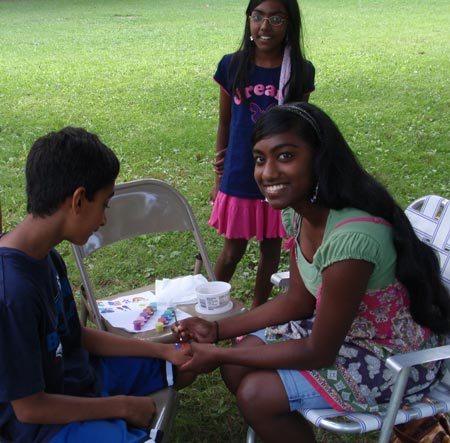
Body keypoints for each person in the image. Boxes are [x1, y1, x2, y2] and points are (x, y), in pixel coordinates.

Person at [173, 102, 450, 442]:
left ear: (319, 158)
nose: (268, 172)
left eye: (285, 156)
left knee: (256, 393)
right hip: (344, 333)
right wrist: (216, 330)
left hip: (394, 357)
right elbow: (299, 300)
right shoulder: (300, 213)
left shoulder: (353, 239)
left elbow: (319, 351)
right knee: (236, 368)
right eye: (260, 158)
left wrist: (218, 352)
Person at [0, 127, 193, 443]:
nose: (104, 219)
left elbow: (75, 335)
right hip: (42, 426)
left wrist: (162, 350)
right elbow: (29, 409)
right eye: (105, 204)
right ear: (78, 200)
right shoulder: (12, 294)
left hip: (78, 377)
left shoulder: (46, 255)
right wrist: (120, 406)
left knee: (181, 366)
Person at [209, 0, 315, 307]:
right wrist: (219, 174)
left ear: (289, 24)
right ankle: (210, 307)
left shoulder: (299, 71)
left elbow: (302, 129)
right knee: (232, 250)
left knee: (270, 251)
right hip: (240, 172)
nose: (265, 26)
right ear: (249, 20)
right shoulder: (232, 65)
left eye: (276, 19)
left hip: (279, 175)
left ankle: (257, 313)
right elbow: (226, 121)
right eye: (258, 16)